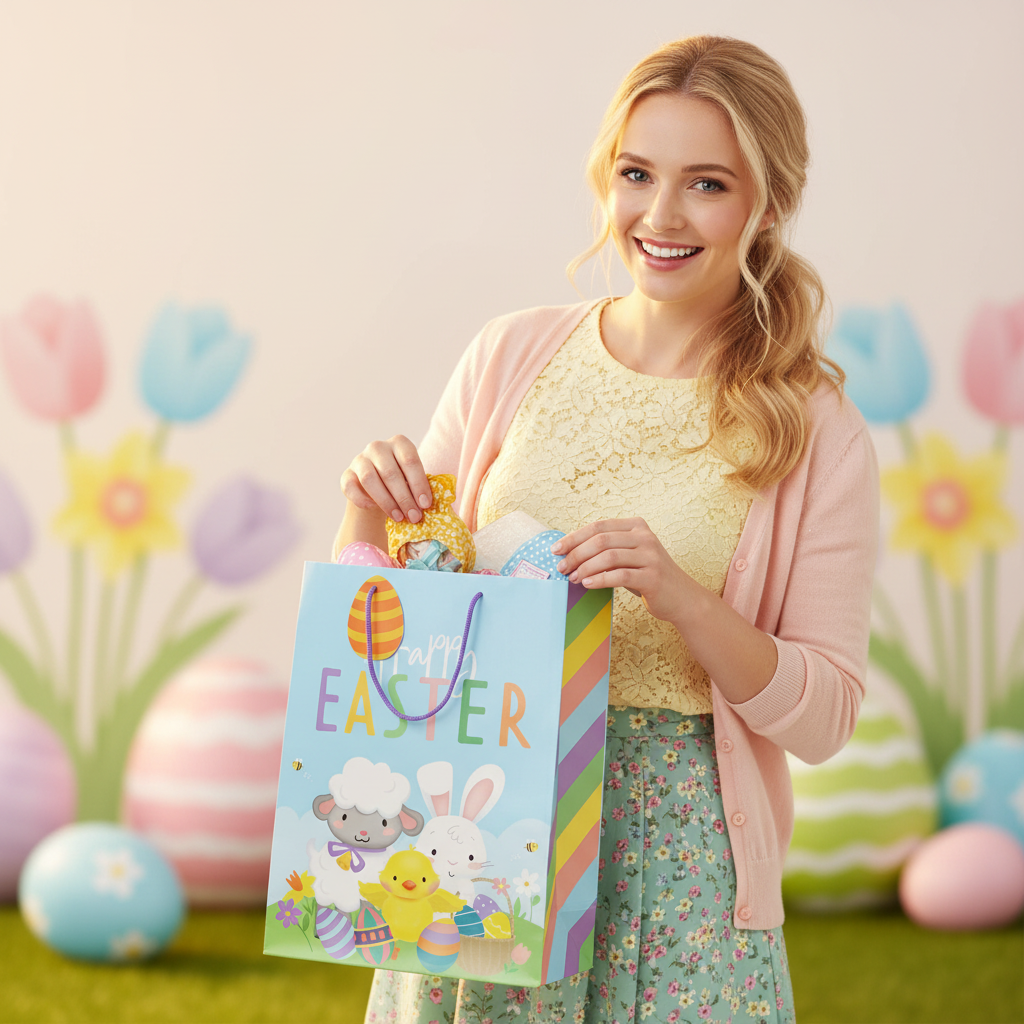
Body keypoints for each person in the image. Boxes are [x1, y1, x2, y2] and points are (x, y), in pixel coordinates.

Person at [338, 34, 878, 1024]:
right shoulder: (510, 355)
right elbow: (406, 636)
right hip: (482, 827)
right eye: (637, 174)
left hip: (678, 873)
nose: (660, 217)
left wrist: (682, 599)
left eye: (706, 184)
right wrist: (365, 514)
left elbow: (825, 716)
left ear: (766, 204)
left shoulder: (815, 428)